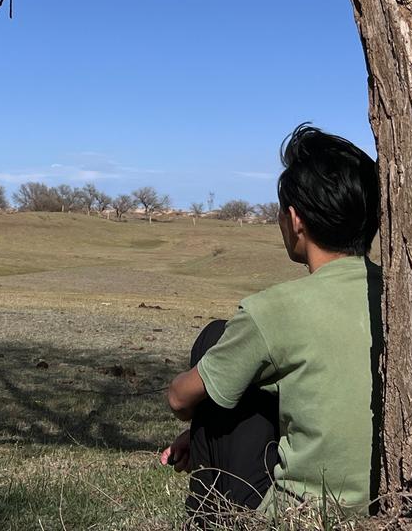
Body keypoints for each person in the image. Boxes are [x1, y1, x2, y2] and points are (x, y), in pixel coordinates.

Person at [160, 124, 383, 524]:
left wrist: (198, 427)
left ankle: (209, 521)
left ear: (295, 220)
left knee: (216, 338)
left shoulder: (275, 310)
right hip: (387, 504)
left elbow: (179, 398)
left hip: (300, 516)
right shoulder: (397, 299)